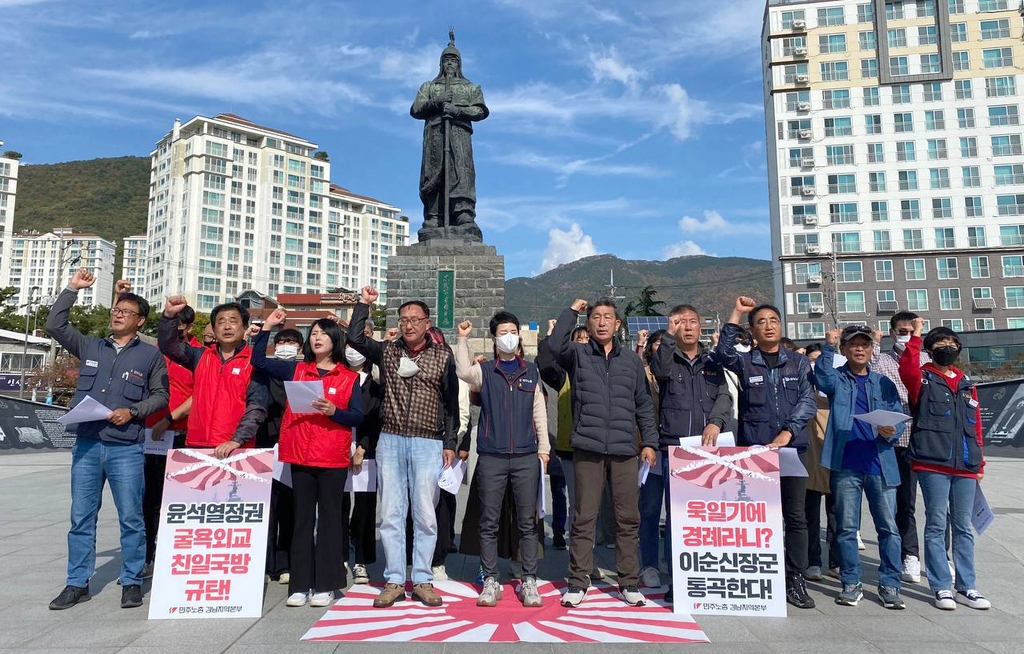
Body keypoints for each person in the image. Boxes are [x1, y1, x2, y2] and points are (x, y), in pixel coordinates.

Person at [46, 269, 169, 611]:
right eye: (116, 310)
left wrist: (133, 411)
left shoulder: (150, 356)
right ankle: (77, 582)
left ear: (140, 321)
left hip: (125, 446)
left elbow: (161, 396)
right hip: (87, 444)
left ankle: (131, 581)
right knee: (81, 517)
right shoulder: (91, 345)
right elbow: (55, 326)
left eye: (126, 312)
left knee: (131, 516)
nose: (118, 314)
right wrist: (72, 287)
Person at [346, 286, 459, 608]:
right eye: (404, 319)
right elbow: (354, 339)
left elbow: (451, 403)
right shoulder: (387, 351)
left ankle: (422, 578)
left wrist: (449, 441)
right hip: (391, 440)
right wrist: (363, 305)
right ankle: (395, 579)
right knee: (392, 514)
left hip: (427, 443)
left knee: (425, 515)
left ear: (427, 323)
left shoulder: (442, 356)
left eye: (415, 320)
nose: (409, 325)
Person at [551, 298, 658, 608]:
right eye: (595, 317)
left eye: (607, 317)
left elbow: (643, 405)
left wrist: (648, 442)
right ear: (588, 323)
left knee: (628, 518)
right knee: (584, 517)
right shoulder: (578, 355)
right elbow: (554, 345)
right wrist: (570, 311)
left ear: (617, 324)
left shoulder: (631, 362)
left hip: (625, 448)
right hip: (588, 446)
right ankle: (578, 581)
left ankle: (628, 581)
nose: (600, 322)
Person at [712, 296, 817, 609]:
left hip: (791, 450)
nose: (769, 326)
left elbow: (807, 401)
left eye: (773, 321)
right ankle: (764, 574)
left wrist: (787, 432)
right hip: (755, 450)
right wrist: (736, 313)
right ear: (752, 331)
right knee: (761, 517)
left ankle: (795, 577)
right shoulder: (745, 362)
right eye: (761, 322)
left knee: (795, 516)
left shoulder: (798, 362)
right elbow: (721, 354)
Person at [252, 310, 362, 607]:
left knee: (329, 521)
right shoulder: (296, 370)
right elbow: (259, 361)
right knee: (301, 521)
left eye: (323, 334)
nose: (316, 338)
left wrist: (334, 412)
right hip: (299, 454)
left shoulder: (349, 377)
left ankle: (326, 584)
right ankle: (299, 584)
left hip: (332, 458)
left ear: (335, 340)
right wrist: (268, 329)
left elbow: (358, 415)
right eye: (313, 334)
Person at [455, 312, 550, 608]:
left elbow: (539, 413)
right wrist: (462, 339)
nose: (508, 336)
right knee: (489, 521)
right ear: (495, 338)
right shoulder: (484, 371)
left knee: (527, 522)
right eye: (503, 332)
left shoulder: (532, 371)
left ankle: (529, 580)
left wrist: (544, 448)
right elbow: (461, 370)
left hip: (525, 456)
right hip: (492, 456)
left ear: (518, 337)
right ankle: (491, 580)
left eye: (512, 331)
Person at [899, 320, 990, 611]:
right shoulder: (922, 379)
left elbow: (975, 427)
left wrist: (979, 461)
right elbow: (908, 368)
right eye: (940, 344)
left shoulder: (967, 384)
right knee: (936, 524)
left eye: (952, 344)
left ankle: (967, 587)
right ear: (929, 349)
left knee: (963, 527)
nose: (947, 348)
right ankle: (941, 587)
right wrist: (915, 335)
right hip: (932, 463)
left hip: (965, 465)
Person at [814, 326, 906, 609]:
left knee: (888, 528)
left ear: (870, 350)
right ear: (845, 350)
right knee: (846, 527)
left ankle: (890, 584)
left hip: (880, 463)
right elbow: (821, 377)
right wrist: (828, 347)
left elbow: (898, 415)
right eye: (853, 345)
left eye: (864, 345)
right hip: (846, 463)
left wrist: (892, 429)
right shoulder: (837, 380)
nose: (859, 349)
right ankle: (851, 582)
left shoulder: (884, 383)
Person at [647, 306, 732, 601]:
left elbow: (724, 395)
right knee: (677, 517)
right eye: (681, 323)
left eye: (693, 322)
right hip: (676, 448)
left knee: (708, 518)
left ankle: (709, 573)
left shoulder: (713, 362)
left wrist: (716, 422)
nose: (688, 327)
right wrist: (667, 338)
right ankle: (678, 578)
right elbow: (659, 371)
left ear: (701, 326)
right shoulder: (667, 359)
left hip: (709, 449)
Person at [158, 297, 268, 457]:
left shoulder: (254, 363)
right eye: (221, 322)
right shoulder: (200, 356)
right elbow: (168, 346)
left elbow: (257, 407)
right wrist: (169, 317)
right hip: (196, 445)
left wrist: (237, 440)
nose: (227, 326)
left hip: (235, 448)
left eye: (233, 321)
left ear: (244, 327)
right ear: (214, 329)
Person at [410, 29, 489, 241]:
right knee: (434, 173)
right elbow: (416, 109)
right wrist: (437, 101)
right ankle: (433, 216)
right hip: (435, 136)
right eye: (446, 60)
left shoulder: (470, 88)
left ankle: (463, 214)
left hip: (460, 137)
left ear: (460, 63)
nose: (450, 64)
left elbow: (480, 111)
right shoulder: (429, 86)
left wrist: (458, 111)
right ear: (440, 64)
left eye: (454, 60)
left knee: (460, 174)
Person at [870, 311, 929, 584]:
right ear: (892, 333)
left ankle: (931, 557)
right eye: (902, 331)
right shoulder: (881, 361)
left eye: (912, 330)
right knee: (898, 503)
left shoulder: (926, 360)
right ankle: (905, 555)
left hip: (923, 441)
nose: (906, 335)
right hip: (893, 440)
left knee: (931, 504)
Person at [143, 301, 197, 581]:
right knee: (150, 499)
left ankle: (175, 552)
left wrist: (171, 419)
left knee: (179, 500)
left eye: (177, 324)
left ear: (187, 327)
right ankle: (149, 555)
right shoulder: (153, 354)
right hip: (152, 435)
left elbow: (199, 395)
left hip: (183, 434)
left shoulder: (199, 354)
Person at [256, 327, 304, 586]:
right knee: (267, 507)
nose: (286, 345)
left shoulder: (302, 371)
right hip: (266, 443)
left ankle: (285, 562)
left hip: (293, 445)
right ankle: (264, 562)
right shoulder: (265, 371)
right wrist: (265, 330)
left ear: (300, 348)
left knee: (289, 507)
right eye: (282, 341)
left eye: (292, 342)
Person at [343, 339, 383, 586]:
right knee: (337, 505)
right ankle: (336, 555)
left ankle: (361, 560)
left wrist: (362, 446)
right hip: (335, 450)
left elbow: (378, 417)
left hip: (366, 451)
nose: (353, 352)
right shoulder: (336, 377)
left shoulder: (375, 383)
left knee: (365, 508)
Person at [802, 343, 840, 581]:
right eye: (813, 360)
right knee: (810, 514)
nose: (818, 366)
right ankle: (812, 560)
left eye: (822, 360)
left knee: (837, 513)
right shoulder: (804, 393)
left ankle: (836, 561)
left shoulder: (838, 392)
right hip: (810, 459)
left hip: (836, 457)